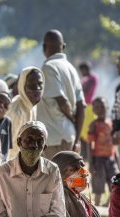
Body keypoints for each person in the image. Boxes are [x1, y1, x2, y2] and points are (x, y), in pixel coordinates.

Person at [37, 30, 85, 160]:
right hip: (68, 136)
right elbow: (81, 106)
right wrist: (77, 138)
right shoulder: (71, 68)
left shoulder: (48, 67)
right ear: (63, 47)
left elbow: (62, 101)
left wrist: (73, 120)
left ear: (44, 48)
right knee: (67, 179)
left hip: (54, 138)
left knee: (54, 179)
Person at [7, 66, 44, 159]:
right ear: (22, 85)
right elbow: (9, 148)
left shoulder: (30, 106)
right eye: (31, 85)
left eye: (40, 84)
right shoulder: (16, 111)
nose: (37, 88)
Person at [87, 97, 119, 206]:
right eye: (96, 107)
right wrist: (91, 163)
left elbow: (114, 143)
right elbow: (89, 144)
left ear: (107, 107)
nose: (99, 109)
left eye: (102, 106)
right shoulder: (93, 125)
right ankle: (96, 205)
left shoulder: (111, 123)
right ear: (93, 110)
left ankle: (108, 204)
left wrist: (116, 158)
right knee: (98, 184)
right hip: (98, 159)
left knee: (114, 182)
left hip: (111, 158)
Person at [78, 61, 99, 161]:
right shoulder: (84, 79)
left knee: (88, 132)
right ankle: (84, 154)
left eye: (82, 70)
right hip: (84, 107)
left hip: (89, 107)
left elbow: (85, 92)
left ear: (86, 69)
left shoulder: (92, 78)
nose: (82, 73)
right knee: (82, 132)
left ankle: (90, 155)